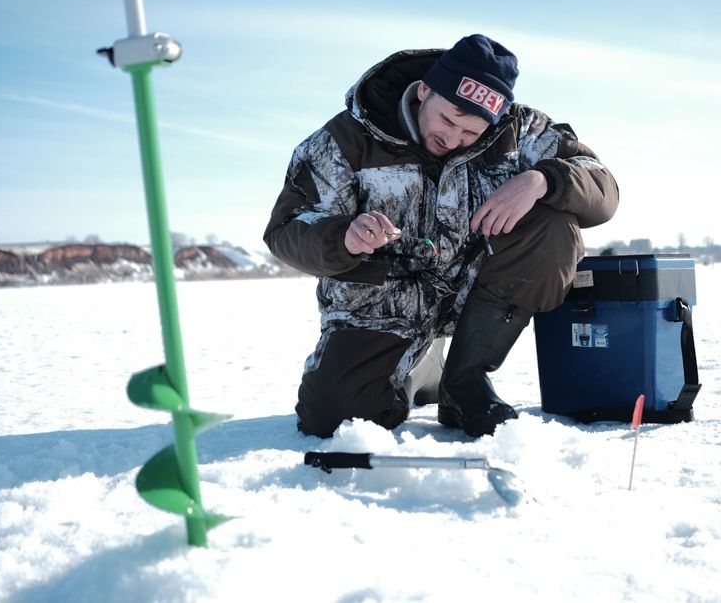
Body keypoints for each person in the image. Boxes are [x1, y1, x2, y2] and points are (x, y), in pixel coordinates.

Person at [264, 34, 618, 438]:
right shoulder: (344, 140)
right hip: (380, 305)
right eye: (447, 119)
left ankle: (463, 381)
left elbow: (602, 185)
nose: (452, 139)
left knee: (554, 222)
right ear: (424, 91)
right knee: (333, 421)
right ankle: (418, 366)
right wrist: (343, 237)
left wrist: (542, 179)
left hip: (476, 291)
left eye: (471, 131)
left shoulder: (521, 132)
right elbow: (286, 228)